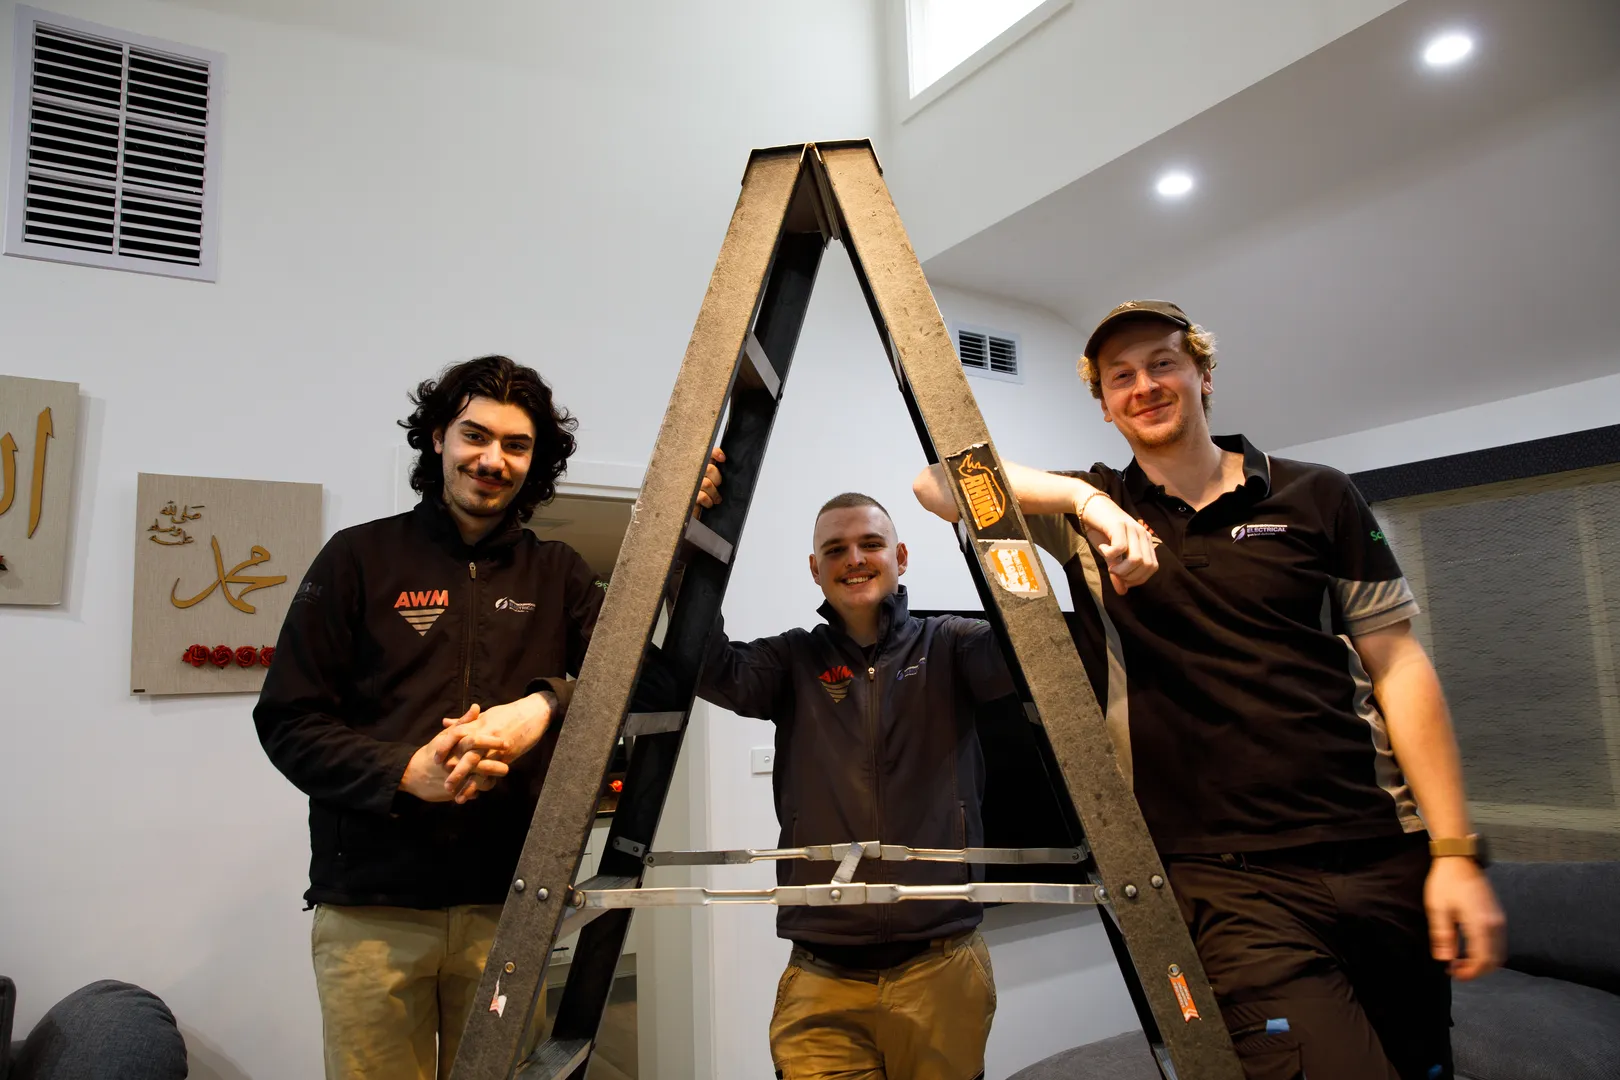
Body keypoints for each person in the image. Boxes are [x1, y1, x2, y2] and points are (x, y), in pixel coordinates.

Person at [913, 301, 1505, 1080]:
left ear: (1203, 374)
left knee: (1424, 1066)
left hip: (1379, 850)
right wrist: (1085, 501)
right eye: (1120, 377)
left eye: (1163, 363)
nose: (1144, 386)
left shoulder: (1318, 495)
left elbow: (1399, 667)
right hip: (1223, 877)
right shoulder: (1086, 513)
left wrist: (1455, 851)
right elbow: (937, 483)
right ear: (1104, 404)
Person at [254, 354, 719, 1078]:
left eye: (516, 445)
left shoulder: (559, 574)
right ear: (438, 436)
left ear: (535, 464)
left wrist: (545, 703)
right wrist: (404, 771)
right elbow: (287, 719)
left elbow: (651, 681)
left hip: (508, 907)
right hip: (372, 914)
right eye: (475, 436)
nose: (492, 459)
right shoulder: (357, 559)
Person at [697, 492, 1015, 1080]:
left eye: (870, 545)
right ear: (815, 570)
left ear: (900, 557)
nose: (855, 559)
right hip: (822, 971)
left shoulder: (951, 645)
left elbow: (1028, 650)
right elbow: (708, 663)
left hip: (940, 963)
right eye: (835, 550)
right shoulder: (792, 659)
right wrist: (693, 537)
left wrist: (984, 522)